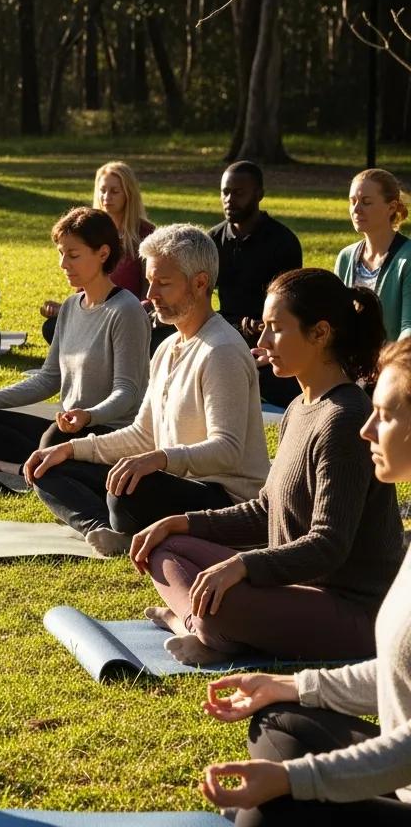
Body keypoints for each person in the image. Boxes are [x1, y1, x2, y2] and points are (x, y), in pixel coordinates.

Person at [131, 268, 402, 666]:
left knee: (216, 605)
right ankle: (206, 628)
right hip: (291, 591)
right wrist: (182, 522)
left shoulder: (345, 418)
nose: (262, 342)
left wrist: (241, 565)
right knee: (165, 549)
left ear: (320, 333)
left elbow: (329, 545)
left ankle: (198, 625)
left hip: (352, 612)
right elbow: (268, 510)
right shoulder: (298, 408)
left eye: (275, 328)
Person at [197, 336, 411, 825]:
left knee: (270, 807)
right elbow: (400, 676)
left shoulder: (334, 419)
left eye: (386, 414)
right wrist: (288, 685)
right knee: (278, 721)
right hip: (399, 780)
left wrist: (298, 780)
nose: (367, 429)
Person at [24, 224, 269, 557]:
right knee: (49, 465)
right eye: (150, 280)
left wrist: (158, 459)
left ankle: (125, 525)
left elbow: (227, 450)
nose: (151, 294)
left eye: (163, 283)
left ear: (199, 283)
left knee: (127, 491)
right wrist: (71, 449)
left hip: (222, 499)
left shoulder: (221, 350)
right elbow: (143, 435)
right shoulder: (167, 347)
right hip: (170, 480)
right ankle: (105, 529)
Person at [0, 207, 150, 474]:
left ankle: (29, 467)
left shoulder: (126, 310)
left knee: (52, 439)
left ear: (103, 253)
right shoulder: (69, 307)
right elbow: (48, 379)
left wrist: (88, 416)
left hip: (106, 434)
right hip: (67, 428)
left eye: (73, 255)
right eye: (61, 254)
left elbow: (128, 392)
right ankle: (42, 464)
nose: (63, 264)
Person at [210, 161, 303, 409]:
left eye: (238, 193)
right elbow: (200, 299)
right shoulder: (212, 241)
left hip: (269, 337)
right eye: (225, 192)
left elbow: (292, 304)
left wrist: (263, 326)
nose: (229, 199)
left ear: (259, 194)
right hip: (224, 331)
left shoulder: (282, 242)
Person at [39, 162, 154, 345]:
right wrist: (65, 309)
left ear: (128, 194)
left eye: (114, 191)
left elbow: (151, 295)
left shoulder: (146, 235)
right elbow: (83, 291)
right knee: (53, 327)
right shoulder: (90, 232)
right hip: (93, 315)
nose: (106, 197)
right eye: (102, 190)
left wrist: (121, 314)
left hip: (129, 318)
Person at [335, 167, 411, 342]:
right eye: (352, 201)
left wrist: (391, 367)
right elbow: (335, 319)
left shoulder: (407, 259)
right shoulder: (345, 257)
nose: (356, 209)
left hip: (395, 364)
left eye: (366, 202)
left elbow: (408, 329)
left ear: (391, 207)